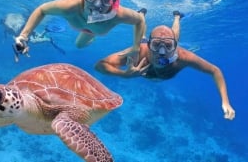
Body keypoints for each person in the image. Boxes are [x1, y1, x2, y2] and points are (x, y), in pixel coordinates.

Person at [95, 11, 235, 120]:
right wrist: (124, 75)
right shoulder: (138, 51)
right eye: (156, 45)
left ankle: (177, 17)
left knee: (173, 36)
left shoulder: (183, 57)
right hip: (145, 44)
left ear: (175, 48)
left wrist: (225, 102)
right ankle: (141, 15)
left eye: (168, 46)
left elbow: (215, 71)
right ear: (149, 45)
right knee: (142, 37)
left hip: (169, 48)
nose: (162, 52)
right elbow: (100, 65)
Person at [14, 0, 145, 61]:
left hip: (91, 29)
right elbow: (41, 10)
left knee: (79, 45)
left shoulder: (118, 15)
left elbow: (140, 20)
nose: (97, 4)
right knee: (79, 45)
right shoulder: (70, 6)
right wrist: (23, 36)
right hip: (87, 19)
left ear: (113, 0)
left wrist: (136, 47)